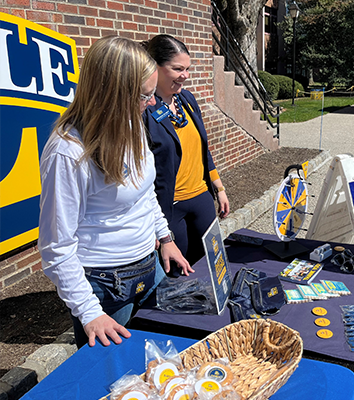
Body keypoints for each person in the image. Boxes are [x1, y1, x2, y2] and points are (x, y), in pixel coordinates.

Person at [39, 36, 193, 349]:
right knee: (117, 382)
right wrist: (89, 312)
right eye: (143, 95)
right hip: (107, 286)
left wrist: (165, 238)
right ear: (111, 94)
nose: (151, 103)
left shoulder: (131, 121)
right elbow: (57, 246)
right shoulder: (68, 151)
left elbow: (145, 192)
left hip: (149, 266)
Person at [142, 35, 230, 268]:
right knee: (180, 272)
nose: (185, 76)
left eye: (187, 69)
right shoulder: (144, 110)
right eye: (177, 69)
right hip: (170, 205)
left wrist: (218, 188)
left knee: (211, 264)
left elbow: (203, 148)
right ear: (155, 67)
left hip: (201, 197)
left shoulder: (187, 99)